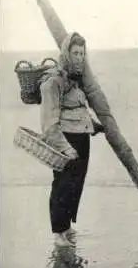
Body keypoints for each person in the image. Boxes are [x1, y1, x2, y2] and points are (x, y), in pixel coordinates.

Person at [40, 32, 104, 247]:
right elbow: (50, 123)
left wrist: (95, 126)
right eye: (75, 53)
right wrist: (65, 148)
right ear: (66, 53)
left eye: (82, 54)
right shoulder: (54, 81)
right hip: (65, 140)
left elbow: (77, 110)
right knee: (62, 185)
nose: (79, 57)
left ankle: (66, 227)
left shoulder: (76, 81)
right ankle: (58, 233)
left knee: (76, 185)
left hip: (81, 138)